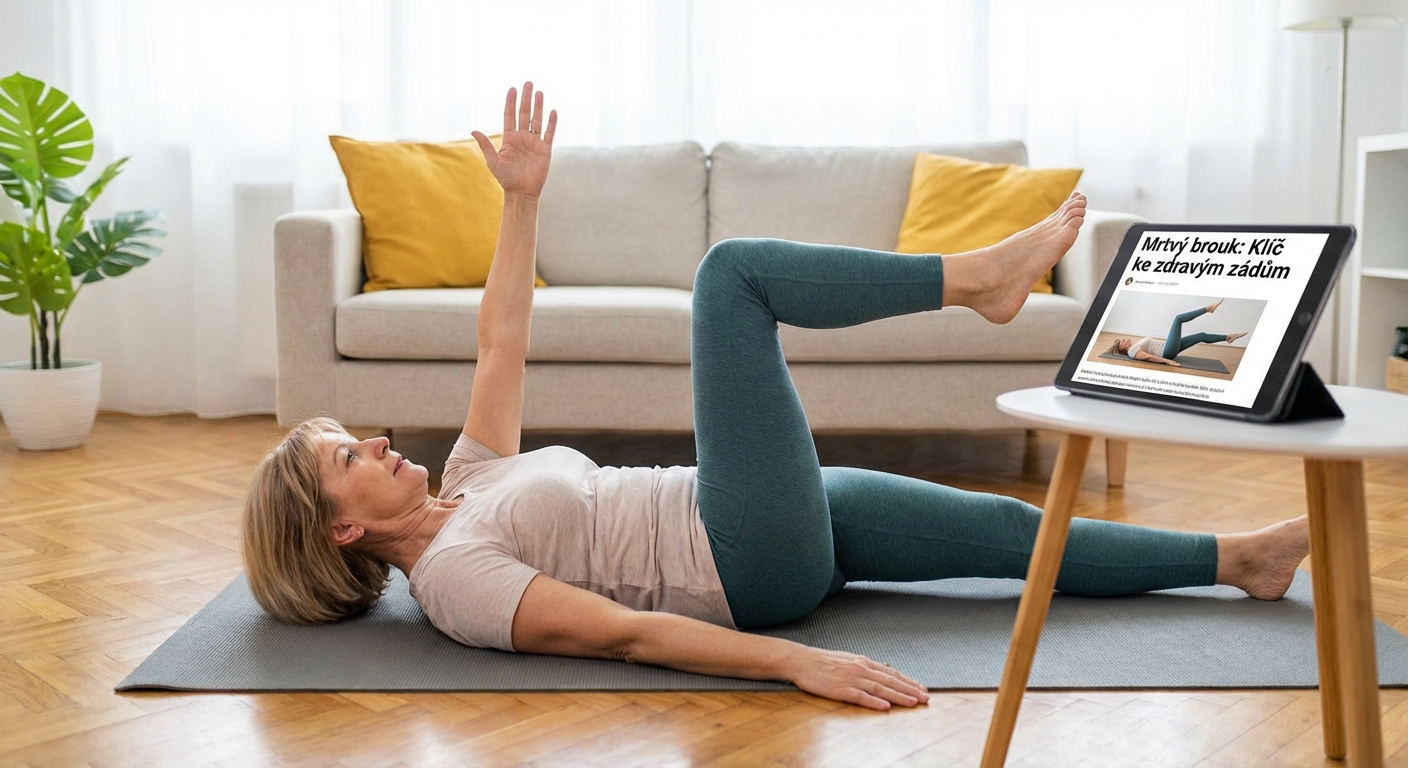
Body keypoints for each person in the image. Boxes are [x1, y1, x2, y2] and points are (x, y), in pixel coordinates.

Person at [242, 83, 1311, 711]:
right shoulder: (459, 583)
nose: (377, 440)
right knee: (732, 278)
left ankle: (1234, 562)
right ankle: (976, 280)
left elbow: (501, 340)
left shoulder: (470, 484)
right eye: (349, 456)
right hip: (742, 556)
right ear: (339, 530)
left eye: (355, 436)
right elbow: (623, 637)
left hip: (756, 513)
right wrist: (798, 667)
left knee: (998, 530)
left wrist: (521, 201)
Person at [1107, 300, 1249, 368]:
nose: (1125, 341)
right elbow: (1150, 358)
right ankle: (1208, 308)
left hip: (1169, 347)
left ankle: (1228, 338)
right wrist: (1169, 362)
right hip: (1166, 352)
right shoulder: (1132, 352)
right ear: (1122, 349)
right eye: (1122, 343)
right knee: (1178, 319)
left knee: (1200, 335)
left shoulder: (1133, 348)